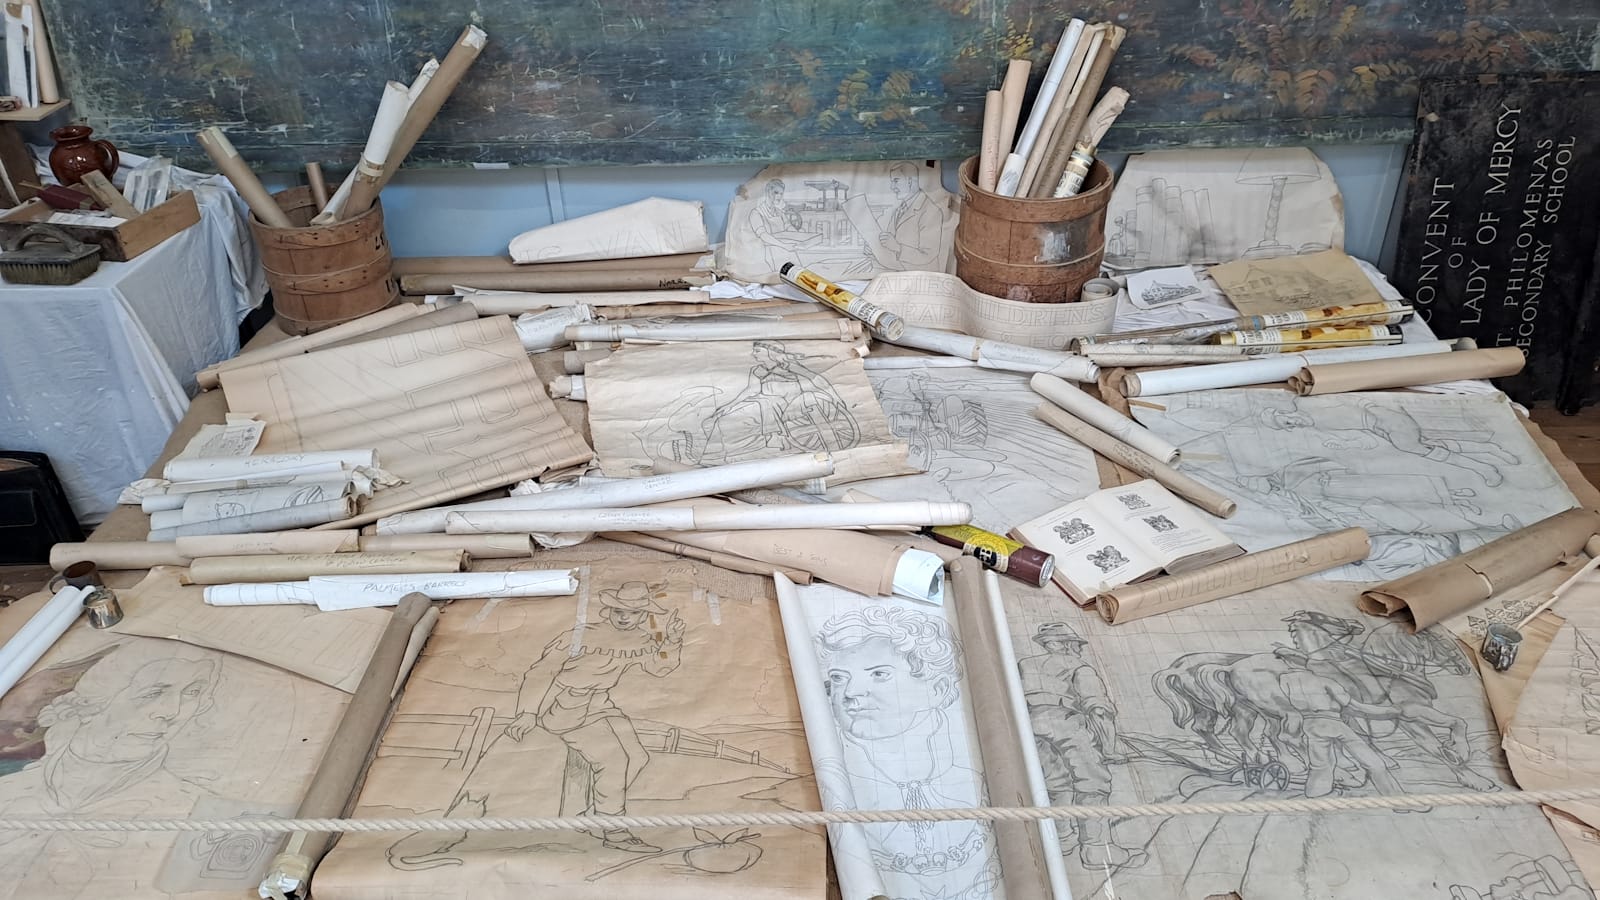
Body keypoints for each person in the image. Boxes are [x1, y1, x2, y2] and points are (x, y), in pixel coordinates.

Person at [0, 646, 222, 896]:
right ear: (90, 704)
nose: (173, 712)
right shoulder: (9, 789)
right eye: (153, 693)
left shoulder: (198, 811)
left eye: (192, 692)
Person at [816, 605, 1000, 897]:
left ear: (937, 689)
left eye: (879, 674)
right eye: (839, 678)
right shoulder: (827, 782)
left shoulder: (981, 782)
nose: (850, 693)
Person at [504, 582, 685, 853]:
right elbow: (541, 671)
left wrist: (672, 640)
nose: (624, 617)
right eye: (618, 611)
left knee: (638, 757)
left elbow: (659, 669)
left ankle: (591, 817)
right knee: (613, 761)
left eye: (633, 613)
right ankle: (615, 832)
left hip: (600, 703)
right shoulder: (580, 635)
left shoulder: (642, 640)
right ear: (608, 610)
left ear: (644, 615)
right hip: (563, 704)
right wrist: (528, 712)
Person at [1018, 622, 1144, 869]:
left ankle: (1063, 838)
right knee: (1093, 783)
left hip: (1030, 724)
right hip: (1067, 723)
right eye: (1075, 644)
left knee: (1056, 782)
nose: (1078, 649)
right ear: (1061, 644)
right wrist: (1110, 748)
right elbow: (1098, 708)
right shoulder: (1080, 668)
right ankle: (1097, 849)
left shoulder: (1025, 664)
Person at [868, 162, 944, 269]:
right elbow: (890, 245)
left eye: (896, 181)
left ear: (910, 181)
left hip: (921, 276)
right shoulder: (899, 210)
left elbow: (928, 255)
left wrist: (898, 247)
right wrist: (875, 249)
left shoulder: (931, 211)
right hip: (899, 272)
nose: (892, 187)